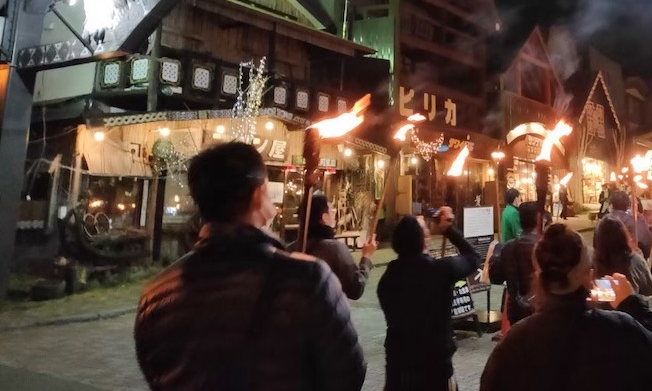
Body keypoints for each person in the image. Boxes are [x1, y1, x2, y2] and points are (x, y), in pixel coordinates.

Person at [134, 143, 365, 391]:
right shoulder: (308, 278)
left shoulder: (155, 293)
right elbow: (348, 375)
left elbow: (156, 375)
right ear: (257, 195)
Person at [480, 224, 652, 391]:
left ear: (539, 275)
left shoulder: (515, 341)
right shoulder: (615, 328)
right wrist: (631, 303)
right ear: (587, 276)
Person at [377, 206, 479, 391]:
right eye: (425, 230)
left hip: (398, 371)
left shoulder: (386, 280)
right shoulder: (440, 270)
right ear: (423, 241)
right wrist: (448, 229)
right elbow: (473, 258)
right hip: (435, 370)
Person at [291, 192, 375, 300]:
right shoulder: (335, 250)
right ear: (324, 217)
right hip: (324, 313)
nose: (334, 214)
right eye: (331, 210)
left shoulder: (290, 249)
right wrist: (366, 257)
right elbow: (355, 288)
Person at [593, 215, 652, 298]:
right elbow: (649, 289)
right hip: (629, 308)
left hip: (602, 308)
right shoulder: (635, 260)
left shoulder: (590, 262)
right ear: (623, 236)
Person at [501, 201, 541, 325]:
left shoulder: (508, 247)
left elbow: (497, 277)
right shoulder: (544, 246)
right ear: (538, 219)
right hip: (539, 306)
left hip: (516, 309)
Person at [607, 189, 652, 259]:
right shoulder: (637, 218)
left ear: (611, 205)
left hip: (622, 259)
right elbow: (647, 240)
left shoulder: (608, 221)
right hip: (640, 256)